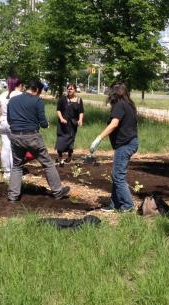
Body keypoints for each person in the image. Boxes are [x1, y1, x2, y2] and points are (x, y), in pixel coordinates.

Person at [6, 78, 70, 201]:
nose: (39, 94)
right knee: (47, 163)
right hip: (32, 136)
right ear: (36, 90)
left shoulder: (12, 100)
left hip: (15, 136)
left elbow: (9, 120)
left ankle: (13, 196)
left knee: (17, 166)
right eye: (40, 92)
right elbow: (43, 124)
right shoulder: (37, 101)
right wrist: (46, 124)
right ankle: (58, 191)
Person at [89, 82, 139, 212]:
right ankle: (114, 204)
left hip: (125, 144)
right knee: (116, 175)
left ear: (114, 94)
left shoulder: (119, 105)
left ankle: (128, 206)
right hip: (130, 142)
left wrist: (98, 138)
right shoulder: (129, 105)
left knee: (118, 176)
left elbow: (114, 124)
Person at [0, 77, 24, 179]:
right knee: (16, 148)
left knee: (5, 147)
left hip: (3, 122)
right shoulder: (20, 95)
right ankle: (15, 172)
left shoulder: (2, 95)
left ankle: (6, 172)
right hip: (15, 122)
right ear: (19, 85)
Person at [55, 84, 85, 165]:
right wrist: (61, 118)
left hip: (72, 123)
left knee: (71, 139)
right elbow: (58, 110)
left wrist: (80, 120)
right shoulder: (62, 99)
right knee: (61, 139)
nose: (69, 90)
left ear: (75, 90)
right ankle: (60, 156)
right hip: (63, 123)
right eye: (68, 89)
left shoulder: (79, 100)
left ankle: (69, 156)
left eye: (71, 89)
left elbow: (81, 112)